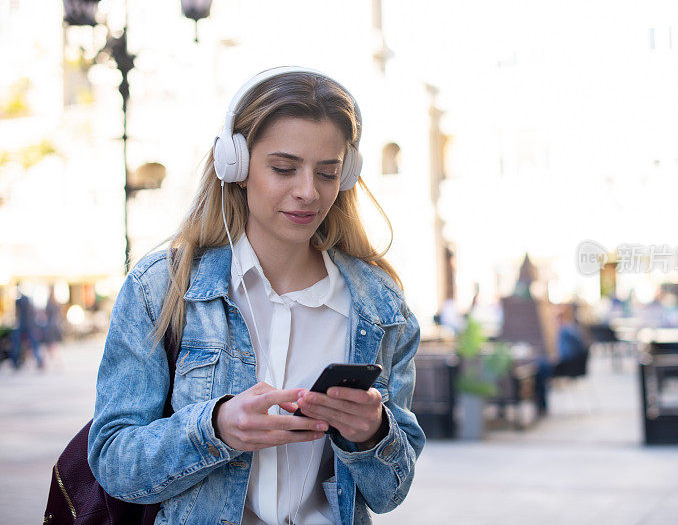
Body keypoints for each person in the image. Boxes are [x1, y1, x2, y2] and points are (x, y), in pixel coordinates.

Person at [87, 67, 425, 525]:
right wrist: (215, 427)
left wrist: (373, 434)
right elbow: (113, 461)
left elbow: (390, 493)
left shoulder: (382, 309)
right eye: (283, 168)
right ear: (237, 167)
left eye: (327, 173)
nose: (307, 192)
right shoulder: (162, 289)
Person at [10, 282, 44, 370]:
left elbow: (17, 313)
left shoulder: (19, 301)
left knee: (17, 343)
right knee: (33, 344)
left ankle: (16, 362)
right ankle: (38, 360)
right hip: (29, 324)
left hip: (23, 324)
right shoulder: (27, 300)